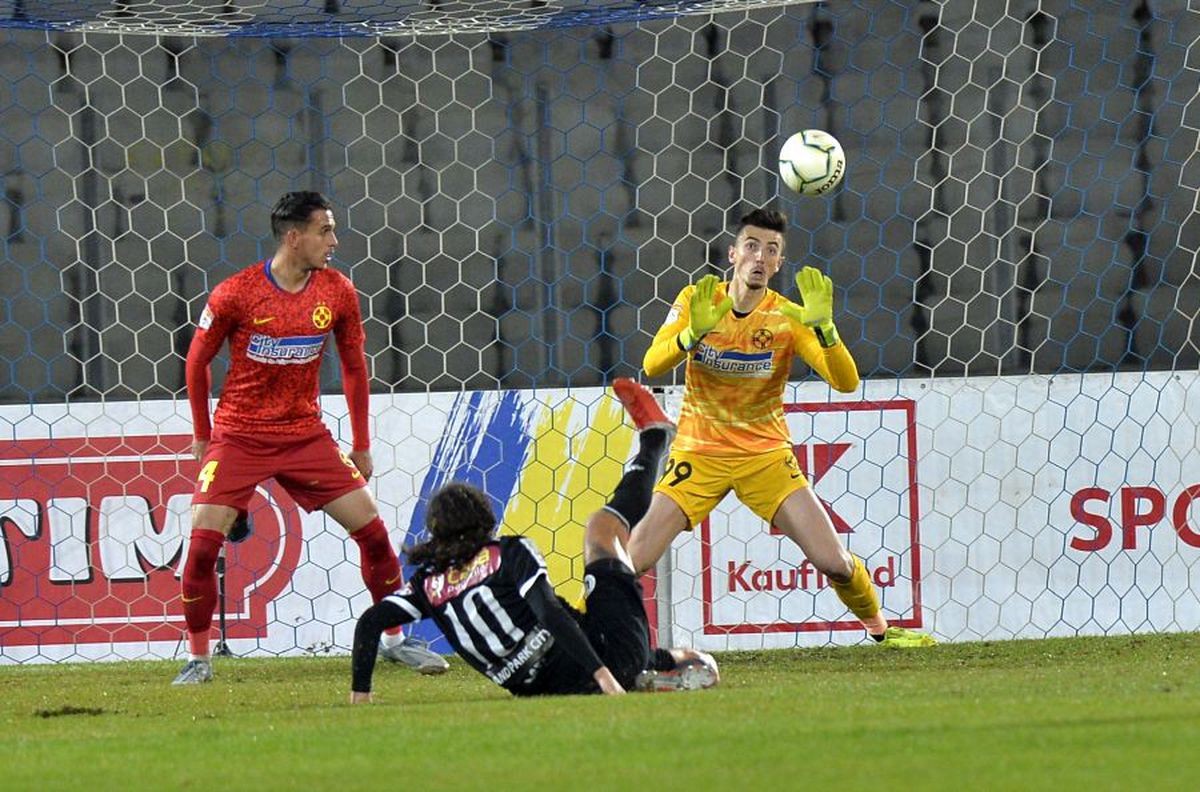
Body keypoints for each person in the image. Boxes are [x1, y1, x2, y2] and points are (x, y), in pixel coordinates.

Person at [627, 207, 936, 648]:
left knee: (834, 563)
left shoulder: (789, 318)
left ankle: (882, 632)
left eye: (771, 250)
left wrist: (826, 329)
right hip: (699, 453)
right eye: (751, 246)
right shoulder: (698, 299)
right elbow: (652, 364)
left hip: (766, 457)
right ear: (733, 253)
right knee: (635, 557)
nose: (760, 256)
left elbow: (846, 382)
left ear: (778, 264)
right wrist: (691, 334)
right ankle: (582, 633)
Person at [175, 191, 448, 684]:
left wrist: (361, 442)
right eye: (325, 230)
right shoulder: (236, 293)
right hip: (239, 435)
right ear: (294, 236)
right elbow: (196, 363)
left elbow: (353, 367)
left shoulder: (337, 291)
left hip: (305, 436)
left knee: (374, 534)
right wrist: (203, 435)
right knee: (199, 550)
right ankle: (198, 660)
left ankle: (394, 642)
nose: (334, 241)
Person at [349, 378, 720, 702]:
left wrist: (360, 695)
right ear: (483, 519)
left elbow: (369, 623)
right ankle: (655, 438)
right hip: (605, 657)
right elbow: (550, 613)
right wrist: (602, 676)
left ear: (435, 531)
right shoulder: (506, 553)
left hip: (546, 688)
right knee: (602, 532)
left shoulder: (427, 586)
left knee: (649, 653)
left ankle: (655, 670)